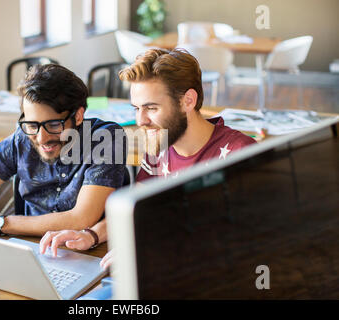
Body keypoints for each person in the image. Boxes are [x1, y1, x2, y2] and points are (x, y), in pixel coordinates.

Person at [39, 48, 256, 270]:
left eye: (151, 108)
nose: (141, 121)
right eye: (136, 108)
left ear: (188, 101)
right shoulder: (158, 144)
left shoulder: (239, 154)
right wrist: (91, 235)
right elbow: (139, 212)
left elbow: (241, 244)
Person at [0, 64, 127, 237]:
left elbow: (81, 219)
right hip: (32, 248)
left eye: (54, 125)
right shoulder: (19, 141)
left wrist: (1, 224)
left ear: (78, 116)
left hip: (93, 252)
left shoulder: (106, 138)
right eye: (32, 125)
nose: (41, 138)